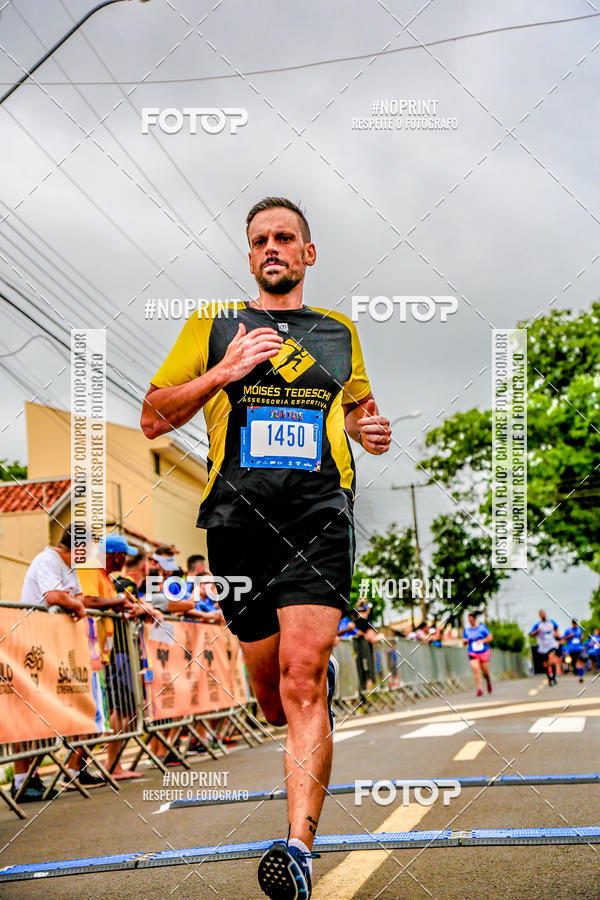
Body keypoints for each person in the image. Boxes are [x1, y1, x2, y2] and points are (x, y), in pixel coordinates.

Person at [141, 196, 390, 899]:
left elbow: (357, 410)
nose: (271, 247)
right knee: (273, 701)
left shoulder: (338, 331)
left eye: (285, 237)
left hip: (319, 516)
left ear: (308, 254)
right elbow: (152, 418)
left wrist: (369, 430)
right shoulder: (214, 325)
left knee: (303, 678)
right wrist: (222, 373)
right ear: (249, 256)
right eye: (259, 240)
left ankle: (298, 850)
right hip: (238, 523)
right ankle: (298, 692)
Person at [462, 612, 493, 696]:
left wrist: (482, 641)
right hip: (472, 652)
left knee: (485, 672)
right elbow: (463, 641)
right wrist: (465, 641)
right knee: (476, 669)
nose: (470, 622)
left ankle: (488, 681)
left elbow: (490, 638)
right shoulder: (467, 630)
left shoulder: (482, 627)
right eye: (469, 620)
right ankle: (479, 689)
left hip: (483, 651)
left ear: (475, 619)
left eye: (471, 620)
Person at [529, 609, 560, 685]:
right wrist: (537, 631)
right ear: (540, 616)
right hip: (543, 647)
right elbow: (531, 634)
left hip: (552, 644)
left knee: (551, 660)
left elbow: (556, 628)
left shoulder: (551, 622)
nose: (543, 615)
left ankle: (554, 677)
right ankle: (550, 678)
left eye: (544, 614)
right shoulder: (538, 625)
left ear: (545, 614)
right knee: (546, 663)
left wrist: (556, 634)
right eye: (541, 614)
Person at [562, 618, 586, 682]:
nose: (574, 624)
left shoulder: (579, 630)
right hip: (571, 649)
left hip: (579, 648)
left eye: (575, 623)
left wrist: (582, 639)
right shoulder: (568, 630)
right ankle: (574, 670)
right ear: (572, 623)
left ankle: (580, 676)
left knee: (580, 661)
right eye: (573, 623)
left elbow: (581, 639)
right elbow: (563, 638)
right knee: (573, 662)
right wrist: (569, 636)